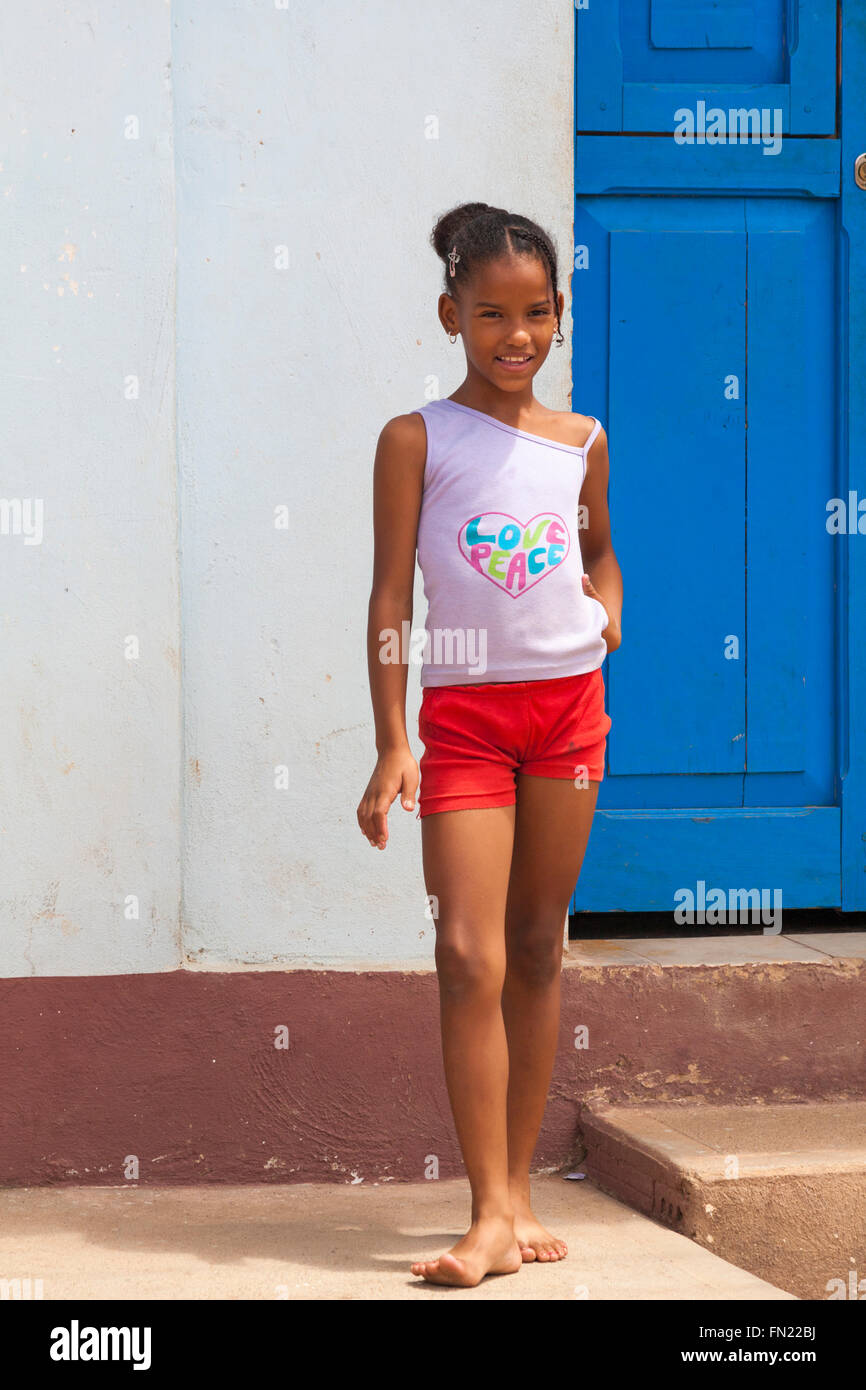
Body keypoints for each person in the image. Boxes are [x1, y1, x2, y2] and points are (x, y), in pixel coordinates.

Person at [356, 202, 623, 1287]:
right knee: (465, 953)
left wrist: (608, 608)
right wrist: (389, 742)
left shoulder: (582, 441)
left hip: (567, 709)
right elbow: (387, 600)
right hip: (461, 722)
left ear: (558, 315)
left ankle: (514, 1201)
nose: (515, 338)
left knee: (538, 943)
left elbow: (602, 553)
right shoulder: (414, 438)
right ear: (449, 315)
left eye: (535, 315)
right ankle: (483, 1213)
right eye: (490, 316)